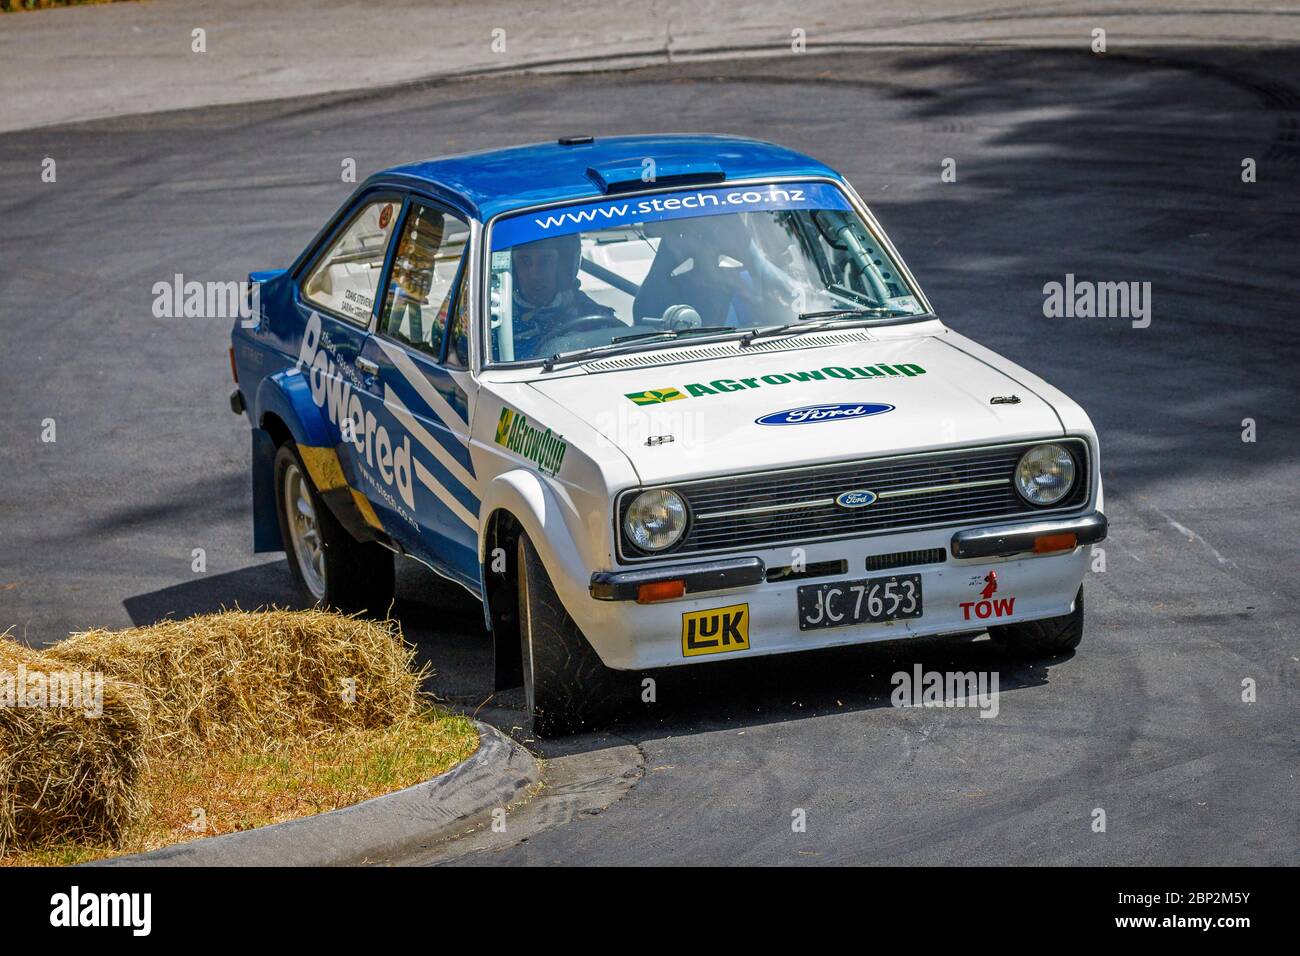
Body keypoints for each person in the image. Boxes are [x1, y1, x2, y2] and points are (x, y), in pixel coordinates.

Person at [507, 233, 613, 359]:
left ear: (562, 266)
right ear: (512, 268)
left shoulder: (594, 315)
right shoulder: (499, 324)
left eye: (545, 261)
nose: (535, 274)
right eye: (525, 261)